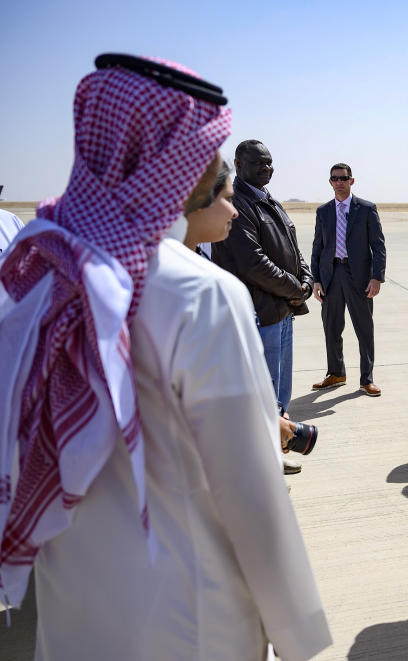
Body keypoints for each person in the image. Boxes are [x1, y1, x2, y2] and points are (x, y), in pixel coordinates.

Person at [0, 54, 331, 660]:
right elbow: (249, 486)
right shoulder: (197, 290)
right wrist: (297, 629)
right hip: (187, 612)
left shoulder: (39, 262)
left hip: (72, 606)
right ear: (174, 162)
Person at [211, 140, 312, 475]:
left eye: (270, 163)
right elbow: (253, 262)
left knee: (280, 391)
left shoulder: (270, 201)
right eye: (258, 163)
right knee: (264, 391)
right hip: (261, 312)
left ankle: (276, 447)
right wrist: (295, 288)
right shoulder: (237, 202)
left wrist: (306, 280)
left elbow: (293, 249)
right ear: (239, 163)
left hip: (282, 310)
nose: (266, 168)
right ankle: (262, 458)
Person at [310, 163, 386, 396]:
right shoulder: (323, 211)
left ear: (352, 181)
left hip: (359, 278)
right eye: (335, 178)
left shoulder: (366, 208)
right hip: (331, 276)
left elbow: (378, 246)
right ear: (330, 182)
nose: (339, 182)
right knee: (331, 327)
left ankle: (367, 379)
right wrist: (316, 279)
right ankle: (336, 373)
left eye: (343, 178)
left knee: (364, 328)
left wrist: (376, 277)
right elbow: (318, 247)